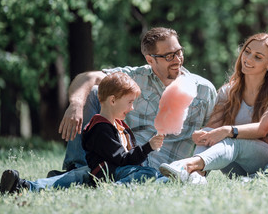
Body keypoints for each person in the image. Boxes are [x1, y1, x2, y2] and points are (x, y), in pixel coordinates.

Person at [53, 27, 217, 177]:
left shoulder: (203, 90)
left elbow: (215, 134)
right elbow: (88, 78)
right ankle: (76, 167)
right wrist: (75, 104)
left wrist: (200, 170)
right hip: (129, 158)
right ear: (150, 60)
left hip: (166, 167)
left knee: (87, 176)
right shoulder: (135, 78)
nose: (177, 60)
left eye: (179, 52)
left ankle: (75, 176)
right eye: (169, 56)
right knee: (94, 92)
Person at [0, 72, 164, 194]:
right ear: (112, 100)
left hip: (98, 171)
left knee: (67, 179)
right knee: (150, 173)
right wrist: (148, 147)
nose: (132, 107)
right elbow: (121, 159)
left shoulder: (117, 125)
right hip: (107, 173)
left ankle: (23, 186)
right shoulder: (101, 128)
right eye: (130, 102)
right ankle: (114, 189)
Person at [159, 32, 268, 182]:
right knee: (209, 133)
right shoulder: (228, 91)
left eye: (258, 57)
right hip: (235, 167)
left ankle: (186, 166)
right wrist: (201, 135)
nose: (248, 59)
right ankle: (197, 177)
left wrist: (228, 130)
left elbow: (263, 128)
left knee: (232, 141)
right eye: (247, 51)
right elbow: (213, 128)